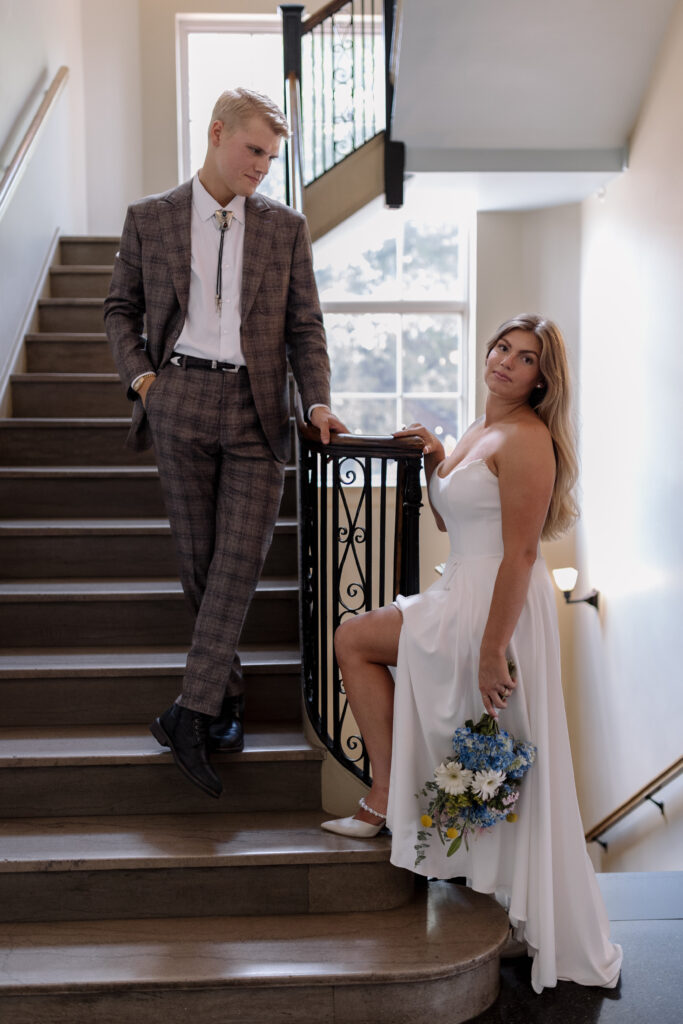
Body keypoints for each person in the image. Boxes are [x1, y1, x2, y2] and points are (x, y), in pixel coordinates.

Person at [322, 314, 622, 994]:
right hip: (457, 587)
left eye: (523, 359)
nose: (505, 362)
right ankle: (385, 796)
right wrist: (437, 459)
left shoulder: (528, 439)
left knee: (492, 739)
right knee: (359, 645)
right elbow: (449, 518)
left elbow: (519, 552)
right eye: (501, 348)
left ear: (541, 379)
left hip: (495, 604)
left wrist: (493, 650)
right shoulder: (475, 430)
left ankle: (508, 894)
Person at [104, 88, 346, 799]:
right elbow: (120, 307)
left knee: (237, 563)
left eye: (271, 157)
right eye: (253, 151)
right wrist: (145, 381)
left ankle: (190, 707)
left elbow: (306, 327)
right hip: (178, 396)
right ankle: (224, 699)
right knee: (199, 563)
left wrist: (319, 400)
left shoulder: (285, 227)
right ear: (215, 134)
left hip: (255, 410)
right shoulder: (150, 218)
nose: (263, 167)